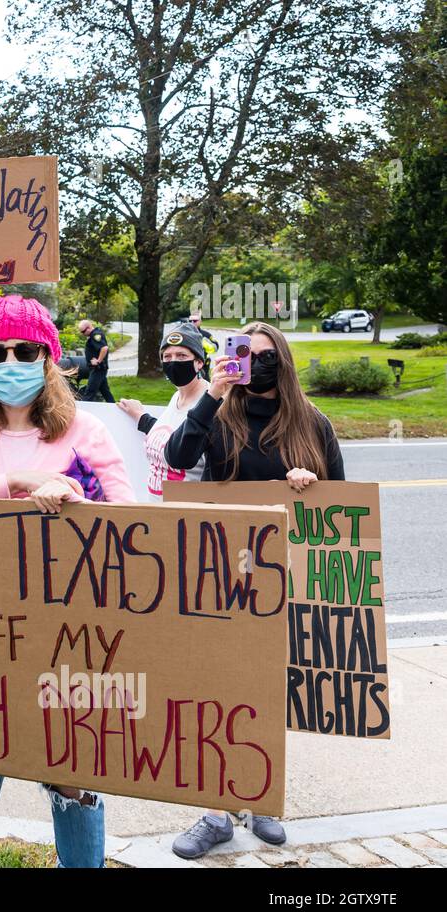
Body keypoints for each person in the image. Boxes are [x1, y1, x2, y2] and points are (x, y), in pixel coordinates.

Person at [0, 294, 133, 867]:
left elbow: (129, 519)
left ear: (48, 358)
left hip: (68, 627)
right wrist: (13, 482)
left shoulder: (85, 428)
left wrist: (73, 493)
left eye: (25, 349)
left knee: (71, 767)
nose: (10, 360)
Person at [164, 319, 345, 859]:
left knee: (266, 695)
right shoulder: (221, 414)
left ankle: (259, 797)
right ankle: (215, 811)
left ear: (283, 361)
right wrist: (214, 393)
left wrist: (310, 488)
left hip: (284, 582)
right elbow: (177, 457)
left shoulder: (312, 423)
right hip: (222, 578)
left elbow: (341, 505)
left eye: (266, 354)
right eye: (245, 352)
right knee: (216, 692)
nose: (255, 361)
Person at [116, 323, 210, 497]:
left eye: (181, 356)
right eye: (167, 357)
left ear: (199, 363)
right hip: (157, 510)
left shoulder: (210, 404)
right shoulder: (177, 397)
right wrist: (140, 416)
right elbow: (171, 435)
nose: (173, 361)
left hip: (186, 516)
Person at [78, 318, 114, 402]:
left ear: (89, 327)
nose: (82, 334)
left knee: (89, 392)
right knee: (105, 391)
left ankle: (83, 410)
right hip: (99, 369)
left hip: (98, 369)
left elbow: (104, 348)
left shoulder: (95, 335)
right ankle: (114, 406)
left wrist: (98, 361)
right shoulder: (94, 334)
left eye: (83, 331)